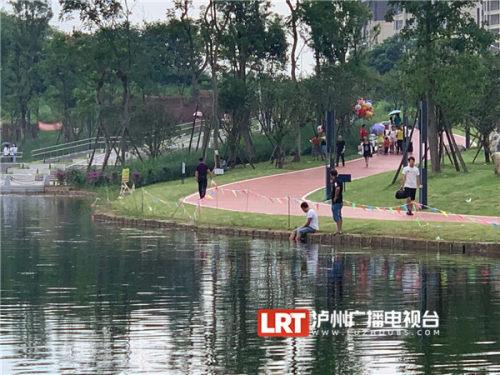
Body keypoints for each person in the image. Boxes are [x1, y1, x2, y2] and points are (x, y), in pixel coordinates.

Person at [330, 169, 343, 235]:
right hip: (340, 201)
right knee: (339, 215)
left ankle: (338, 230)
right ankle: (340, 230)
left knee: (336, 215)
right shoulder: (339, 180)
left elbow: (337, 188)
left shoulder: (335, 181)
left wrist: (335, 197)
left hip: (336, 201)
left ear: (332, 175)